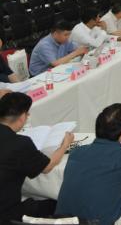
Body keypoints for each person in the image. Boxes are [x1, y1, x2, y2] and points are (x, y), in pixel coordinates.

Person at [0, 93, 73, 221]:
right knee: (58, 203)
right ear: (22, 117)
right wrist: (64, 145)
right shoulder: (20, 143)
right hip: (7, 212)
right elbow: (47, 167)